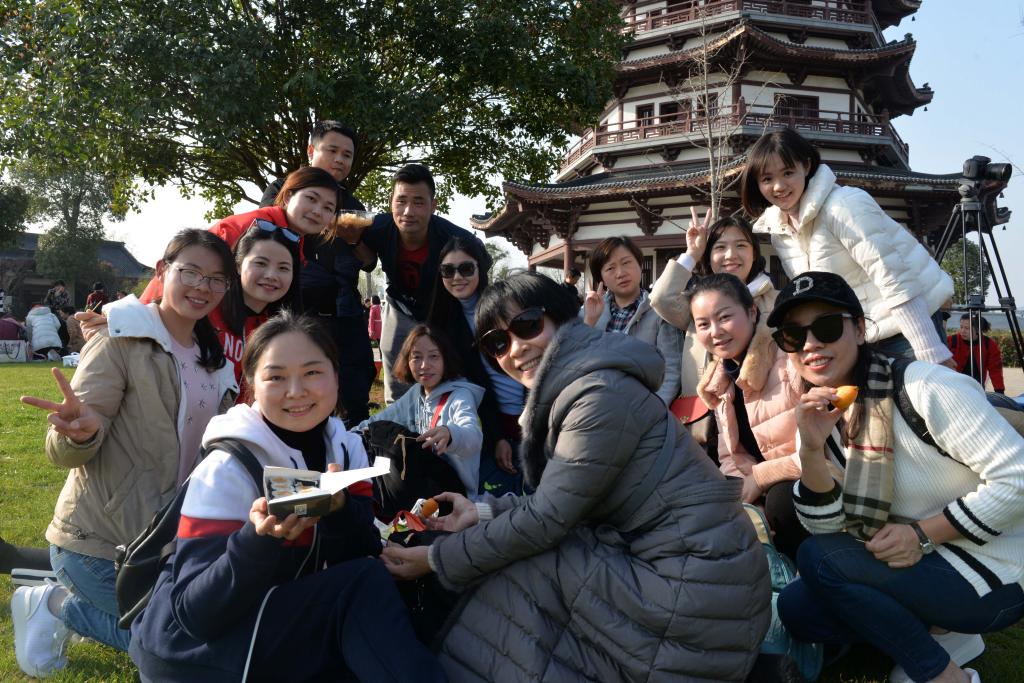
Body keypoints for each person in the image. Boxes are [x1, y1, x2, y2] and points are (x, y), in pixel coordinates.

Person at [381, 272, 771, 682]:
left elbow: (546, 521)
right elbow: (560, 501)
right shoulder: (580, 385)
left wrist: (436, 559)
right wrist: (479, 512)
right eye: (497, 343)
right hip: (697, 578)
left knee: (522, 562)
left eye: (527, 324)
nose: (516, 348)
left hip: (700, 595)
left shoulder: (598, 394)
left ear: (562, 317)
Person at [129, 310, 443, 682]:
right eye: (276, 377)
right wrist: (257, 541)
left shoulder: (345, 450)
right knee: (363, 585)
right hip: (190, 652)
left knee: (372, 597)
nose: (296, 391)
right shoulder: (229, 466)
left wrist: (339, 509)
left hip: (275, 619)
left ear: (336, 377)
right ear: (252, 384)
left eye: (312, 372)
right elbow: (196, 614)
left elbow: (359, 551)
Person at [769, 271, 1024, 683]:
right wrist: (811, 451)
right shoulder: (823, 415)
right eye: (793, 336)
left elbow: (1018, 479)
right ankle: (941, 634)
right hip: (919, 564)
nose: (810, 344)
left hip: (998, 568)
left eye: (827, 327)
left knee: (819, 559)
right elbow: (829, 528)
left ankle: (942, 674)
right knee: (797, 608)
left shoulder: (927, 387)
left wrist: (921, 534)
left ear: (860, 329)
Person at [12, 230, 238, 675]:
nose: (202, 287)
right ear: (162, 271)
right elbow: (63, 450)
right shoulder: (119, 339)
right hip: (99, 544)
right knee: (178, 651)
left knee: (202, 633)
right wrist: (79, 433)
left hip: (167, 545)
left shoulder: (214, 360)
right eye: (191, 272)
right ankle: (53, 602)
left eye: (216, 279)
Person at [740, 127, 954, 366]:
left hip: (906, 328)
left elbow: (892, 276)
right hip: (859, 335)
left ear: (806, 166)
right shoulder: (780, 230)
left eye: (788, 172)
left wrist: (930, 350)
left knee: (924, 388)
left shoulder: (843, 205)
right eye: (767, 179)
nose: (778, 186)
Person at [690, 273, 833, 560]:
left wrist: (760, 479)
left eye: (724, 317)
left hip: (814, 481)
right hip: (762, 490)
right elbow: (729, 457)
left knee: (782, 500)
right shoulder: (719, 382)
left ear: (752, 311)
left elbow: (824, 449)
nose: (715, 332)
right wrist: (748, 502)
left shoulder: (790, 359)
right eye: (703, 324)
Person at [260, 120, 375, 425]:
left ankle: (354, 447)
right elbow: (268, 239)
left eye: (347, 155)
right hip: (298, 309)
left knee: (354, 392)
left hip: (346, 312)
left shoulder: (353, 205)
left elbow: (368, 263)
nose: (339, 160)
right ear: (311, 151)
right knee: (300, 391)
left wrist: (355, 240)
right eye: (332, 150)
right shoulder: (285, 189)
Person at [359, 163, 490, 403]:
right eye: (401, 201)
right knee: (394, 361)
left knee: (445, 366)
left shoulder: (454, 237)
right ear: (391, 202)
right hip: (399, 304)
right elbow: (365, 259)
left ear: (433, 205)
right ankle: (398, 418)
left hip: (440, 305)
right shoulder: (377, 228)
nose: (408, 211)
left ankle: (444, 415)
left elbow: (483, 263)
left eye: (418, 202)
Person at [136, 167, 339, 304]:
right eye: (311, 199)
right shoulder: (250, 228)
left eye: (328, 208)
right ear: (287, 196)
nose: (317, 211)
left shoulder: (293, 239)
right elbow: (192, 281)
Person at [427, 236, 526, 495]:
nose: (457, 277)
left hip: (531, 413)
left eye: (466, 268)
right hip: (493, 422)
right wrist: (497, 436)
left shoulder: (504, 308)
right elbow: (472, 383)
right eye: (448, 270)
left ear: (480, 269)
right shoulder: (443, 324)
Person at [355, 324, 484, 498]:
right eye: (416, 357)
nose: (425, 365)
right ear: (406, 361)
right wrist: (346, 436)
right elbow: (378, 421)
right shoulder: (417, 393)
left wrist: (451, 433)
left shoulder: (460, 395)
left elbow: (472, 435)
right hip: (422, 490)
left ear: (446, 358)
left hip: (457, 498)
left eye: (434, 356)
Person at [582, 235, 683, 406]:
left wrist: (654, 411)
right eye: (610, 268)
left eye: (626, 262)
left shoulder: (659, 311)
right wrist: (589, 321)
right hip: (596, 406)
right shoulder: (588, 312)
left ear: (640, 265)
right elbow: (575, 364)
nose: (621, 273)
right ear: (601, 278)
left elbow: (671, 370)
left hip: (643, 407)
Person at [208, 220, 301, 396]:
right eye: (261, 263)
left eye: (283, 268)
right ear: (237, 265)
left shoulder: (288, 331)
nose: (271, 275)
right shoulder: (206, 311)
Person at [948, 314, 1005, 394]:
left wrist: (999, 391)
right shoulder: (951, 341)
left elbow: (995, 369)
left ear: (977, 329)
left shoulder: (988, 344)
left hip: (977, 388)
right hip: (953, 387)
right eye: (961, 327)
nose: (962, 331)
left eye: (967, 328)